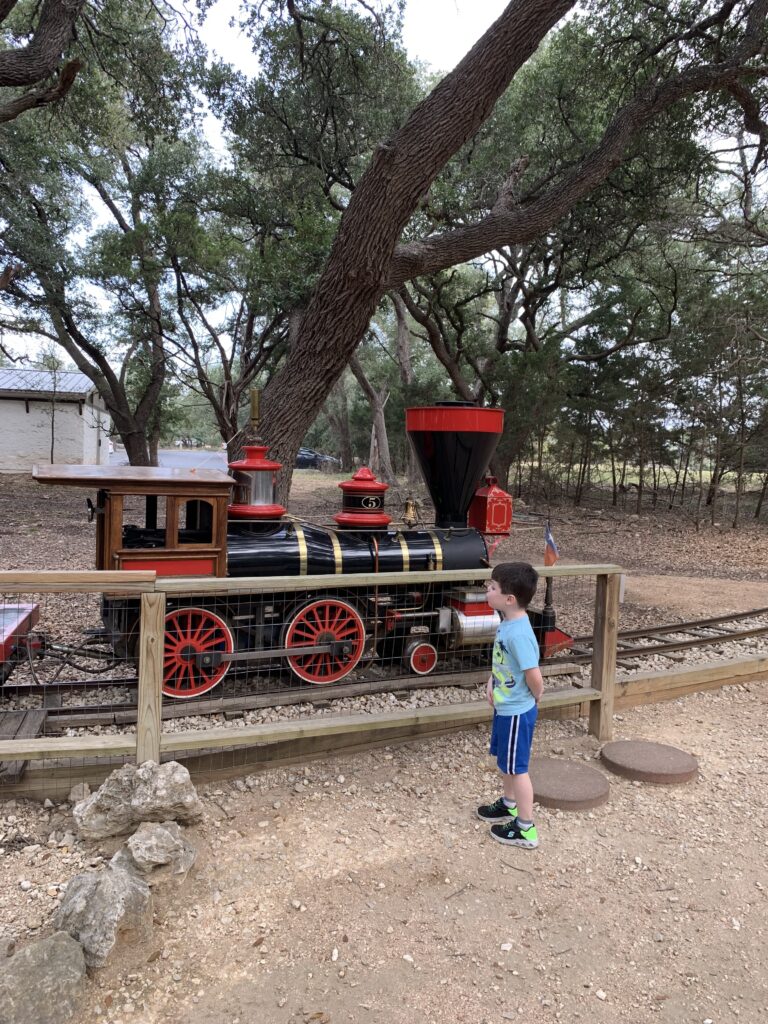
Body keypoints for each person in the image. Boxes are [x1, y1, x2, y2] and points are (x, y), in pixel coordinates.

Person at [477, 562, 544, 848]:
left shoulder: (518, 634)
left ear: (509, 599)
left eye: (492, 588)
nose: (487, 592)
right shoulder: (508, 623)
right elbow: (505, 664)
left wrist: (535, 696)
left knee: (518, 768)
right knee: (506, 762)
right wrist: (493, 681)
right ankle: (508, 804)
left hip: (517, 711)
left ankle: (525, 829)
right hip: (505, 707)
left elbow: (534, 676)